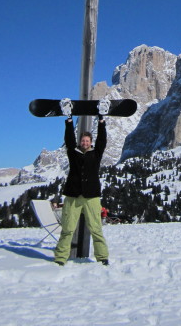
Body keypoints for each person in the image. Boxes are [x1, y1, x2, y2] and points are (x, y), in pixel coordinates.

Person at [53, 100, 110, 266]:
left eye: (87, 141)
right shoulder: (73, 153)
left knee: (96, 229)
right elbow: (69, 139)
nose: (85, 143)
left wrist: (101, 120)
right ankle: (60, 258)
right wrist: (69, 120)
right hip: (73, 195)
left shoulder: (96, 153)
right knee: (68, 229)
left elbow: (102, 141)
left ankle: (102, 257)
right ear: (80, 142)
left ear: (90, 142)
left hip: (92, 196)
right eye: (83, 140)